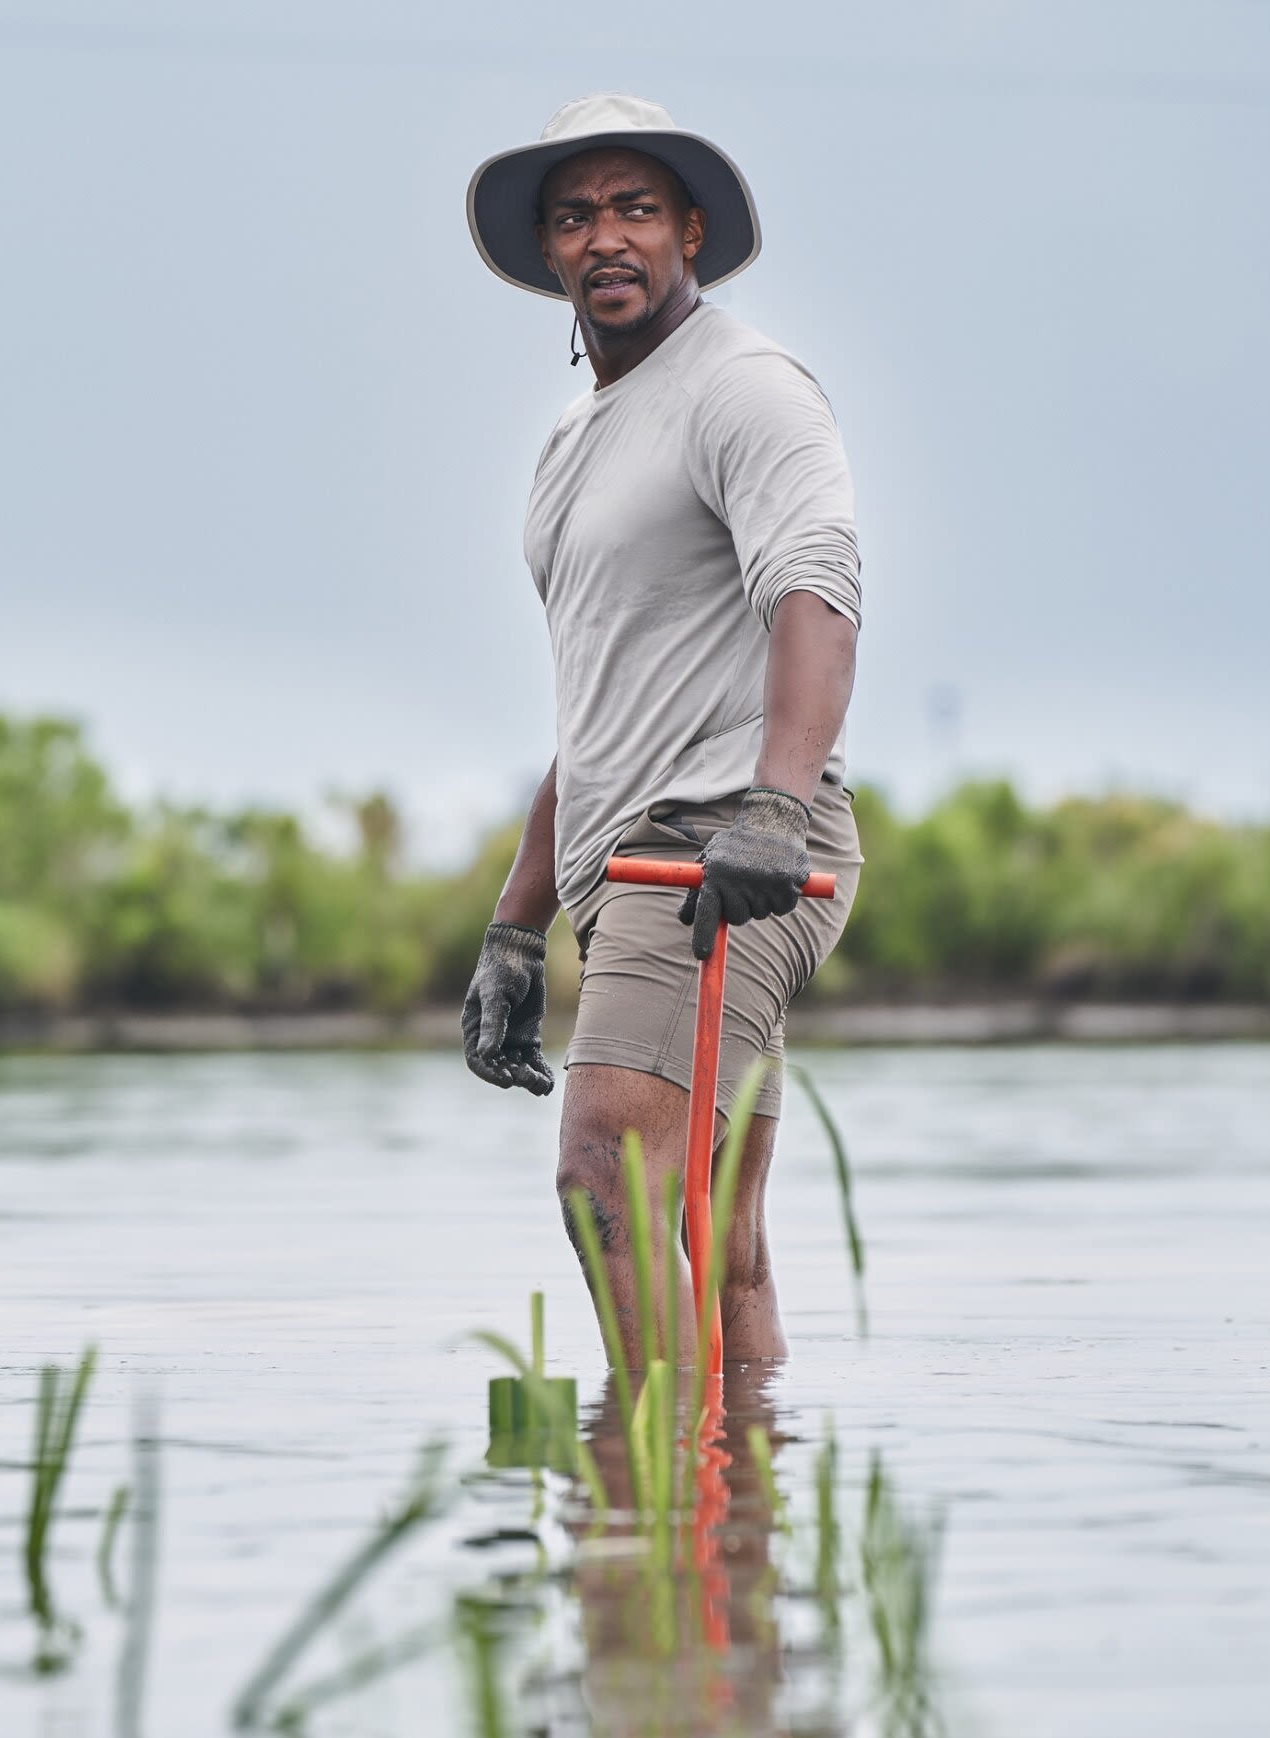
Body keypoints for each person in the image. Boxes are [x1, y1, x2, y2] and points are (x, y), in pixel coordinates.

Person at [458, 94, 864, 1370]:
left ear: (690, 229)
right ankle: (734, 1533)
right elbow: (598, 712)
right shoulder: (574, 444)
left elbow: (818, 586)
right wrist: (515, 927)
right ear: (547, 256)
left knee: (605, 1179)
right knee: (714, 1232)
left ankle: (640, 1518)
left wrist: (774, 805)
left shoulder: (740, 387)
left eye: (635, 206)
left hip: (716, 848)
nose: (606, 237)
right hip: (633, 854)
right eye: (575, 216)